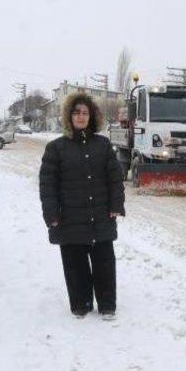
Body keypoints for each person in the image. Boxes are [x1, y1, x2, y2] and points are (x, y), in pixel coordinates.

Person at [39, 93, 125, 319]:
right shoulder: (56, 148)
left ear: (92, 117)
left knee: (104, 262)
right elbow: (48, 186)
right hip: (69, 218)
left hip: (101, 215)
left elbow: (115, 179)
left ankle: (107, 305)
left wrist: (116, 204)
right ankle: (81, 303)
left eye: (85, 113)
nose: (81, 116)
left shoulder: (103, 145)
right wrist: (51, 215)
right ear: (69, 116)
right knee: (74, 263)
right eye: (76, 112)